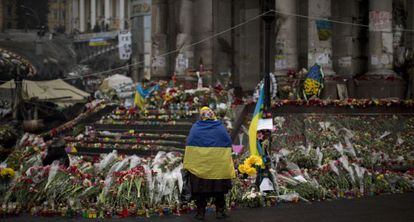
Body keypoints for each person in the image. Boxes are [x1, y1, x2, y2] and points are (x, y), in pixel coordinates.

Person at [183, 107, 235, 220]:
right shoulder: (220, 127)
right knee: (219, 190)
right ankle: (220, 211)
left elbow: (190, 143)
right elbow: (228, 142)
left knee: (201, 192)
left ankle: (200, 213)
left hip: (201, 167)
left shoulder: (196, 128)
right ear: (213, 115)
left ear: (201, 116)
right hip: (217, 167)